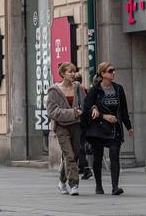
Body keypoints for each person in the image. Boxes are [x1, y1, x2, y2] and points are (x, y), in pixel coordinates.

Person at [82, 62, 133, 196]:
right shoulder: (95, 90)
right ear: (103, 74)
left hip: (115, 128)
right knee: (97, 158)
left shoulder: (118, 89)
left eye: (114, 70)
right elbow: (86, 108)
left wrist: (129, 127)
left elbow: (123, 110)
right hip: (98, 129)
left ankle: (115, 187)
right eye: (110, 71)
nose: (113, 73)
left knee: (115, 155)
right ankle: (98, 186)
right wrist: (103, 116)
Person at [46, 62, 85, 195]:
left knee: (72, 155)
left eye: (74, 71)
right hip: (61, 127)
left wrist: (86, 111)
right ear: (62, 74)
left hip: (76, 126)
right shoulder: (54, 91)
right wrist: (73, 113)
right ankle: (74, 184)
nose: (73, 74)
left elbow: (84, 105)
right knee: (69, 155)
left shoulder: (78, 88)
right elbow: (52, 112)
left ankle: (62, 181)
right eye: (70, 72)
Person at [74, 72, 92, 180]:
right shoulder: (84, 89)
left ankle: (85, 168)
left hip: (80, 122)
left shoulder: (79, 89)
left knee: (79, 146)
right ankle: (82, 167)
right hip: (84, 122)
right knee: (80, 146)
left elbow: (84, 105)